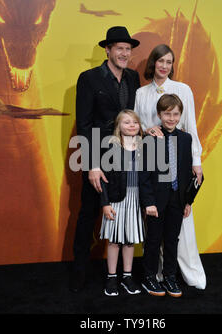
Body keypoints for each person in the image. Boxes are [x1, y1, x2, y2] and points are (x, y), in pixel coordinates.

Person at [71, 27, 140, 292]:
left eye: (128, 49)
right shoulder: (89, 78)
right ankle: (79, 275)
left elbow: (136, 116)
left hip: (126, 160)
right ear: (107, 50)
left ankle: (121, 274)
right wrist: (91, 165)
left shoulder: (133, 78)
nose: (124, 53)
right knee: (88, 214)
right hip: (98, 159)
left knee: (123, 213)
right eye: (119, 48)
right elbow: (84, 124)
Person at [134, 44, 206, 290]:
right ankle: (152, 276)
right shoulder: (141, 93)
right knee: (153, 234)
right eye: (160, 61)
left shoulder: (183, 90)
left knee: (176, 233)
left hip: (178, 171)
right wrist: (146, 131)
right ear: (152, 63)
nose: (164, 66)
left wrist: (196, 161)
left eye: (169, 62)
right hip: (153, 163)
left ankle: (176, 273)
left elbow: (191, 128)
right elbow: (134, 124)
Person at [139, 94, 193, 297]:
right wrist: (148, 202)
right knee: (153, 240)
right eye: (167, 114)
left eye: (175, 114)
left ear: (180, 115)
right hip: (156, 200)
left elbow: (187, 172)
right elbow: (144, 174)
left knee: (172, 239)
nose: (171, 118)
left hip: (177, 199)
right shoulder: (151, 138)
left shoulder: (185, 139)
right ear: (160, 115)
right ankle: (150, 276)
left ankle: (170, 276)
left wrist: (188, 201)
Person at [99, 110, 144, 296]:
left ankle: (127, 276)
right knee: (115, 241)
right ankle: (111, 278)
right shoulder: (111, 147)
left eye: (135, 122)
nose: (132, 125)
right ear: (118, 126)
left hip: (135, 199)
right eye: (126, 122)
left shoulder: (145, 146)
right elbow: (102, 178)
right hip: (116, 199)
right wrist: (105, 203)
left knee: (129, 240)